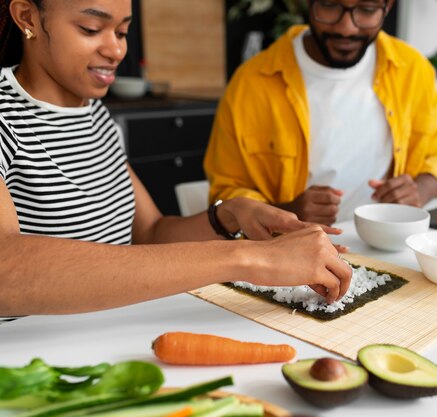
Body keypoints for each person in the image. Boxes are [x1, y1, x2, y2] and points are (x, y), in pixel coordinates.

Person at [0, 0, 352, 317]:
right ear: (27, 17)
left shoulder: (94, 115)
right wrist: (249, 258)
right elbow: (6, 270)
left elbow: (151, 233)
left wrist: (229, 215)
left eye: (122, 31)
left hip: (106, 335)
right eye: (91, 29)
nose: (116, 49)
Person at [204, 0, 437, 226]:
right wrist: (287, 213)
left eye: (367, 10)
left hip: (387, 246)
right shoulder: (251, 82)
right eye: (330, 5)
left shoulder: (412, 70)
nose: (346, 28)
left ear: (387, 7)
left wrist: (419, 190)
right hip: (287, 250)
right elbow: (227, 191)